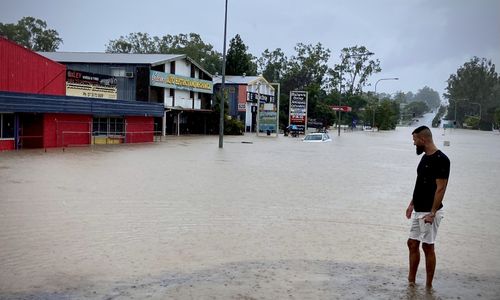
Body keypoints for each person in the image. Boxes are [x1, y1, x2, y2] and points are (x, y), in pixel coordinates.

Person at [406, 125, 450, 288]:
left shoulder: (441, 159)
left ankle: (428, 286)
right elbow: (420, 183)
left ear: (423, 139)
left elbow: (441, 188)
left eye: (415, 140)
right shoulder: (424, 157)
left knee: (427, 246)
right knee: (412, 243)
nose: (414, 143)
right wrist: (411, 204)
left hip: (431, 211)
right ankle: (411, 282)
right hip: (418, 208)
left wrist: (432, 212)